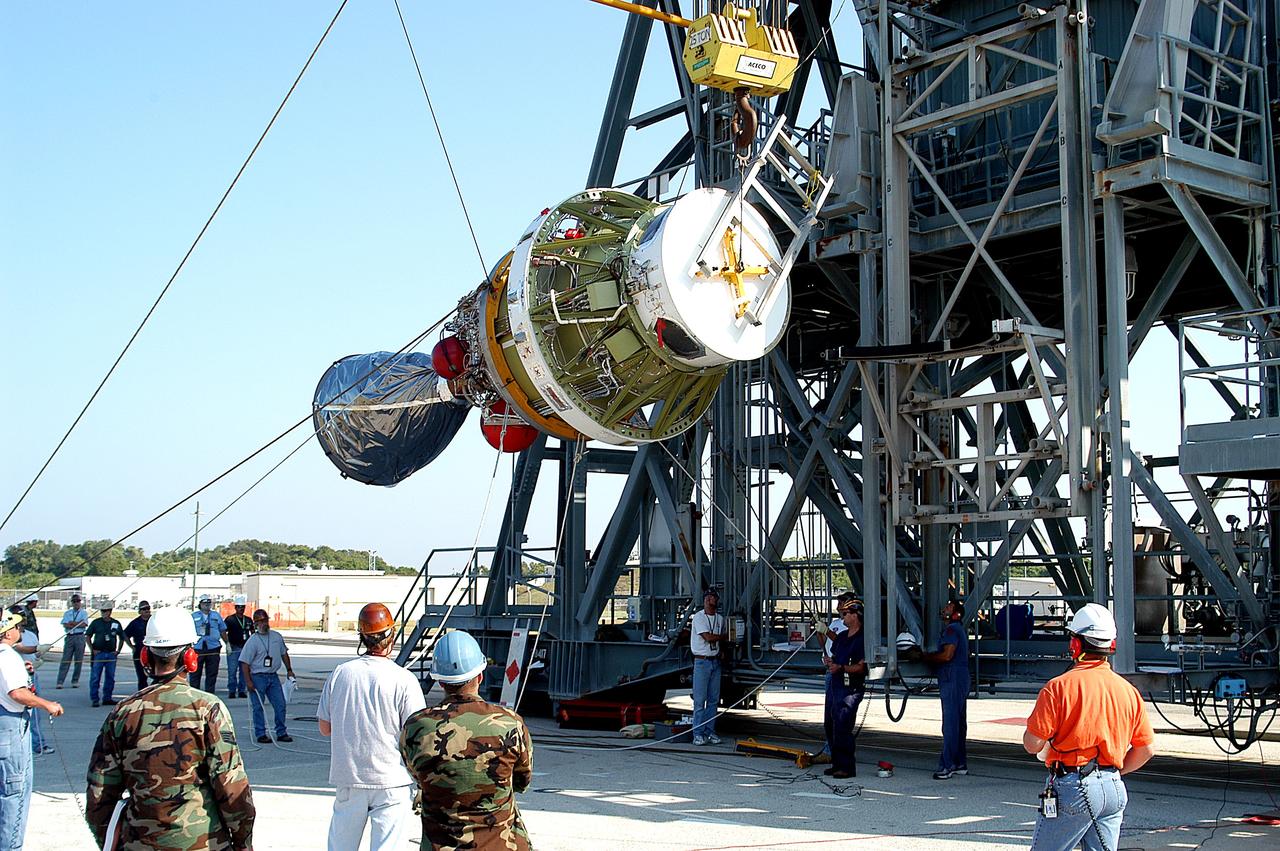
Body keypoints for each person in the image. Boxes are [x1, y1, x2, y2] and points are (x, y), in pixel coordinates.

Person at [85, 606, 255, 850]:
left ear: (146, 656)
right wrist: (243, 844)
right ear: (191, 657)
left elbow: (99, 793)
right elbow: (232, 788)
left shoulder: (123, 712)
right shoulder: (208, 709)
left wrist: (112, 841)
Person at [1023, 603, 1156, 851]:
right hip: (1113, 788)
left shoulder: (1059, 688)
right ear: (1110, 646)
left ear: (1075, 644)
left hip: (1074, 786)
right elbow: (1146, 749)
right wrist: (1109, 774)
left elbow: (1032, 745)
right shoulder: (1128, 691)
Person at [399, 630, 532, 851]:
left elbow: (418, 775)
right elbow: (521, 781)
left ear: (440, 682)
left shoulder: (417, 726)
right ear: (480, 676)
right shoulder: (511, 723)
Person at [318, 603, 426, 851]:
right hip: (391, 781)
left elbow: (325, 727)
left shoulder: (340, 673)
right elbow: (416, 735)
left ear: (362, 637)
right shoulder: (403, 679)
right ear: (392, 635)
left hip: (349, 779)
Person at [0, 609, 64, 851]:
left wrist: (24, 670)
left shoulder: (8, 656)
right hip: (11, 727)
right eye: (17, 627)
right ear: (8, 632)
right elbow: (16, 693)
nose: (20, 631)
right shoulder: (6, 655)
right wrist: (47, 704)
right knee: (14, 794)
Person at [919, 598, 969, 779]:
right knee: (958, 722)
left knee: (950, 724)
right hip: (960, 677)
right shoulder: (959, 630)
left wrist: (926, 657)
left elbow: (947, 655)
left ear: (955, 613)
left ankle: (947, 765)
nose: (944, 608)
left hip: (952, 677)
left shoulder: (951, 629)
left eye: (948, 606)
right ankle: (959, 762)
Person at [821, 598, 867, 779]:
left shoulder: (862, 639)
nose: (843, 618)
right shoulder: (841, 637)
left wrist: (841, 668)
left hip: (850, 688)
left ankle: (847, 766)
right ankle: (836, 762)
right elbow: (836, 656)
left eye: (845, 614)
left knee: (843, 724)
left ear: (855, 616)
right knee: (830, 723)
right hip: (836, 684)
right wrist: (831, 662)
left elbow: (861, 667)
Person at [240, 609, 295, 744]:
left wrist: (289, 670)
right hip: (258, 677)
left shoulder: (276, 637)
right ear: (255, 623)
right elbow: (244, 663)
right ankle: (260, 733)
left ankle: (281, 732)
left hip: (273, 676)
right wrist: (248, 682)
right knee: (258, 706)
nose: (264, 623)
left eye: (265, 620)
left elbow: (284, 654)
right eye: (261, 621)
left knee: (280, 704)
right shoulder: (253, 641)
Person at [10, 606, 53, 757]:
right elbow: (22, 649)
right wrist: (37, 648)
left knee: (34, 714)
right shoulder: (10, 637)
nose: (22, 622)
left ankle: (37, 744)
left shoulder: (30, 634)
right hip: (17, 680)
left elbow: (33, 655)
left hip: (32, 677)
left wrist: (38, 657)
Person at [690, 588, 729, 746]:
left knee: (713, 700)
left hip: (714, 660)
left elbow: (719, 639)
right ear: (706, 600)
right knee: (700, 700)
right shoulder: (699, 618)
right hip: (702, 661)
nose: (713, 600)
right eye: (711, 597)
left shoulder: (719, 618)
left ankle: (710, 731)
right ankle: (697, 733)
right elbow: (708, 637)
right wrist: (723, 637)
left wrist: (722, 646)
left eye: (714, 597)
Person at [85, 602, 124, 708]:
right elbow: (88, 636)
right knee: (95, 677)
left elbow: (122, 637)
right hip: (99, 653)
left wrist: (118, 650)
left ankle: (107, 697)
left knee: (110, 677)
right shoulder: (96, 623)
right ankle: (95, 698)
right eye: (102, 611)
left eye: (105, 611)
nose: (103, 613)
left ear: (110, 612)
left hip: (111, 654)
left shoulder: (116, 623)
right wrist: (92, 649)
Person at [191, 594, 227, 692]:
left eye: (208, 603)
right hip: (198, 648)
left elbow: (222, 630)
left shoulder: (216, 615)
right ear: (200, 604)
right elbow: (188, 631)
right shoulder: (193, 616)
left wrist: (227, 644)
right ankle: (195, 694)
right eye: (204, 603)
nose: (206, 605)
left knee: (212, 673)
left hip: (213, 647)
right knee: (195, 673)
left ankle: (210, 694)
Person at [55, 593, 88, 689]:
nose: (76, 603)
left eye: (78, 601)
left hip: (79, 636)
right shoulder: (68, 613)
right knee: (65, 659)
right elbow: (65, 624)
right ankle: (60, 681)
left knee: (78, 660)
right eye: (74, 601)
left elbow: (84, 624)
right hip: (70, 636)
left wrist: (73, 623)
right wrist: (75, 624)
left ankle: (75, 680)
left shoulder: (84, 613)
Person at [225, 595, 252, 699]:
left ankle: (242, 690)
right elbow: (223, 631)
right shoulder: (230, 619)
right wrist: (227, 644)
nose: (241, 609)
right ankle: (232, 690)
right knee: (232, 671)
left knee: (244, 671)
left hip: (245, 648)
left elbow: (253, 633)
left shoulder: (248, 620)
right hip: (234, 648)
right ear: (235, 608)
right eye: (239, 607)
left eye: (242, 607)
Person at [123, 601, 152, 693]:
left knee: (157, 674)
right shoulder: (135, 623)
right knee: (142, 677)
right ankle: (143, 695)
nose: (147, 610)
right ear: (140, 611)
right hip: (139, 652)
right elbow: (125, 634)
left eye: (148, 608)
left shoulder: (154, 621)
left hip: (153, 652)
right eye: (144, 609)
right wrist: (131, 646)